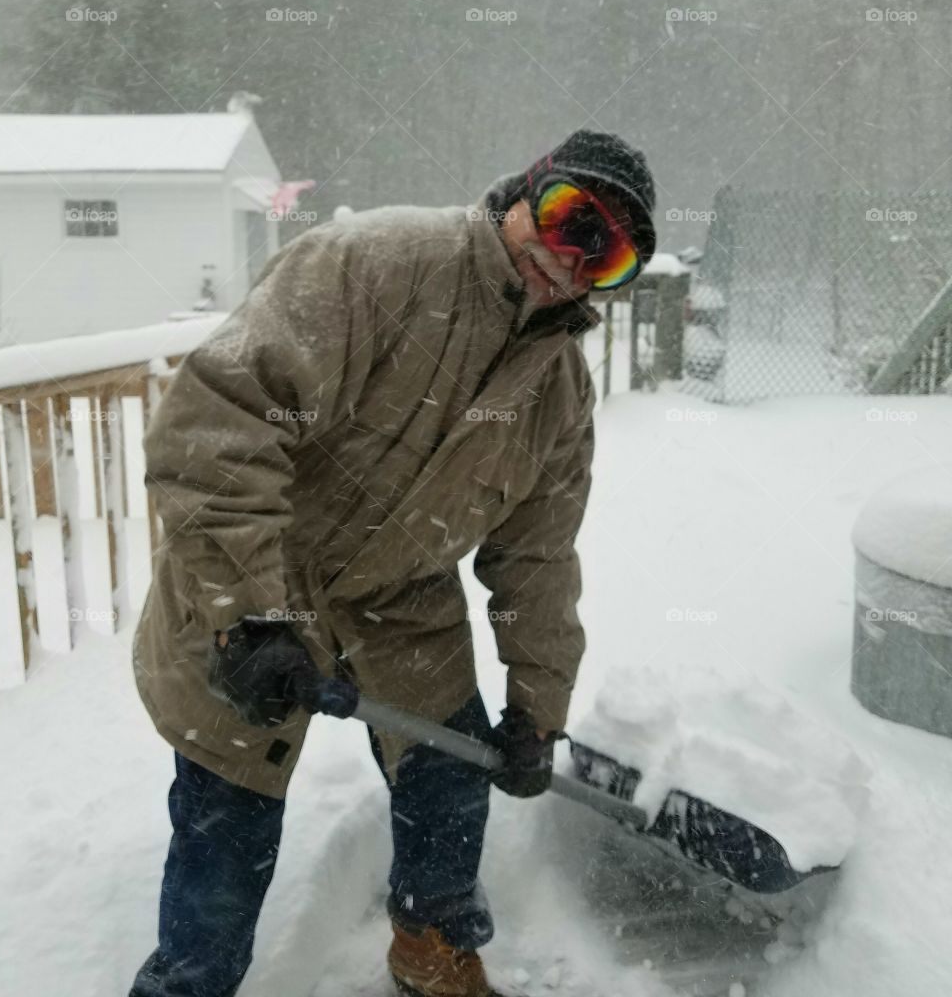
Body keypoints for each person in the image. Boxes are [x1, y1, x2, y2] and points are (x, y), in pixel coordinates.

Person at [128, 130, 656, 997]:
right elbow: (214, 427)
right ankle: (188, 983)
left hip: (400, 595)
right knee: (230, 815)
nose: (567, 261)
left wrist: (536, 713)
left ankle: (433, 944)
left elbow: (538, 558)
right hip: (258, 571)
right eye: (569, 220)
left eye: (606, 258)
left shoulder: (559, 393)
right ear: (525, 190)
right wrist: (250, 620)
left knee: (452, 775)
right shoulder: (372, 265)